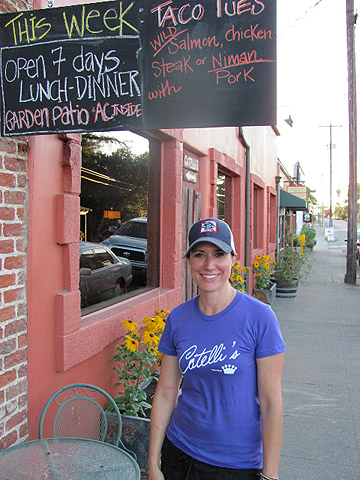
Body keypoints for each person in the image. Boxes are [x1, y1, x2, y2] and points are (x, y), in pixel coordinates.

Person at [148, 218, 285, 480]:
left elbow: (271, 404)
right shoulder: (178, 318)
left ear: (233, 258)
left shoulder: (260, 318)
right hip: (179, 453)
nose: (209, 265)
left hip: (237, 465)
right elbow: (166, 393)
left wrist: (270, 475)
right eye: (200, 255)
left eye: (219, 254)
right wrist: (153, 462)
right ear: (189, 260)